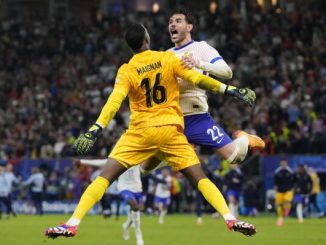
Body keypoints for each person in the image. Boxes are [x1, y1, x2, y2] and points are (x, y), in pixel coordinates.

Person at [45, 23, 257, 239]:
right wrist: (229, 90)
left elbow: (114, 101)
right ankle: (230, 218)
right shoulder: (167, 59)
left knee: (104, 178)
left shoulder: (126, 70)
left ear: (130, 46)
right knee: (200, 179)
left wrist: (95, 129)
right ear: (147, 39)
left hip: (140, 133)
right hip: (171, 131)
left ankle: (72, 223)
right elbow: (197, 79)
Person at [140, 7, 265, 224]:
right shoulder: (166, 56)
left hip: (197, 117)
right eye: (170, 21)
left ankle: (244, 138)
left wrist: (200, 64)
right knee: (144, 168)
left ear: (189, 26)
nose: (172, 24)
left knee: (235, 157)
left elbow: (227, 72)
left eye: (178, 20)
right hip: (172, 120)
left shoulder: (201, 48)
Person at [118, 165, 144, 245]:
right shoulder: (120, 160)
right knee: (135, 207)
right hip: (125, 188)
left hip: (137, 190)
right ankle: (139, 238)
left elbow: (145, 170)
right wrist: (82, 161)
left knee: (136, 211)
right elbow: (102, 162)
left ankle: (125, 227)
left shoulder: (138, 160)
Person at [273, 159, 294, 226]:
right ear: (280, 164)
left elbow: (293, 181)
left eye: (284, 163)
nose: (283, 164)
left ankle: (286, 214)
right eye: (282, 163)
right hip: (280, 191)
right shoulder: (277, 171)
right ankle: (280, 217)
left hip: (288, 190)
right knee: (279, 205)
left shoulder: (290, 171)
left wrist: (293, 188)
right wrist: (275, 188)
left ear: (286, 163)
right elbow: (275, 182)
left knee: (287, 201)